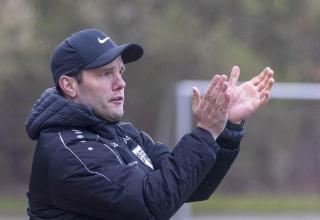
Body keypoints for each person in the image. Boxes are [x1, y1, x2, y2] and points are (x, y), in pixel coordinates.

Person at [26, 28, 274, 220]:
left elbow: (191, 185)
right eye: (105, 73)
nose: (120, 83)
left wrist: (227, 125)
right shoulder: (67, 152)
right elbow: (149, 206)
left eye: (120, 71)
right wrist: (206, 130)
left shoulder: (122, 133)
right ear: (69, 85)